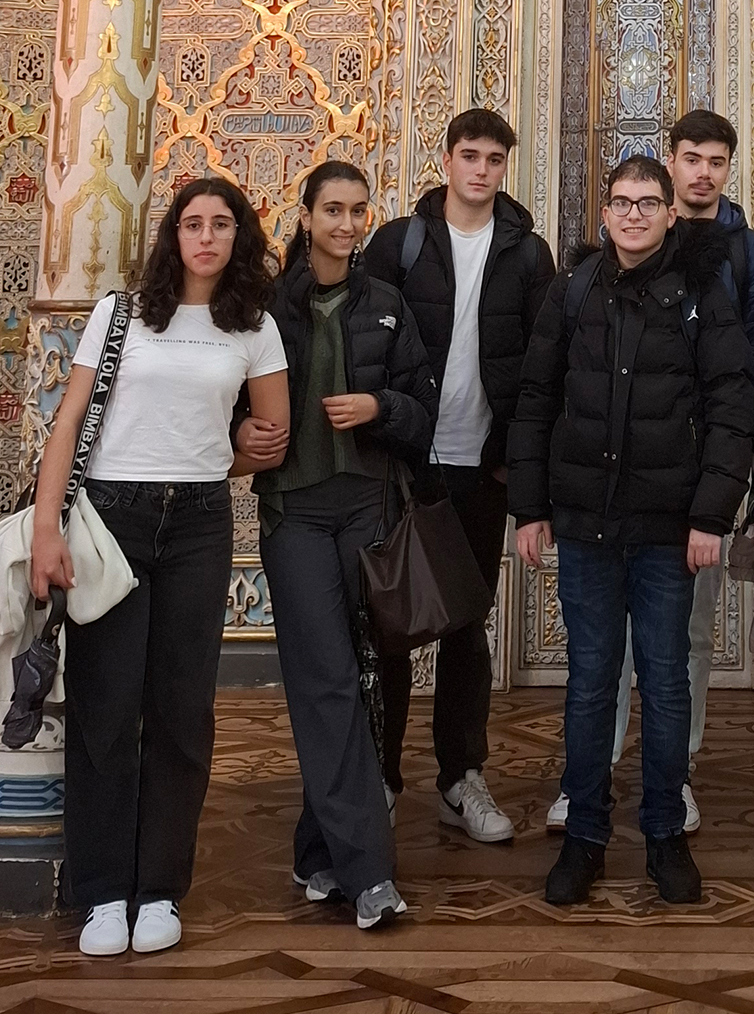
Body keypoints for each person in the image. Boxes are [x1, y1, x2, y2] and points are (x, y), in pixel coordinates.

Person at [30, 178, 289, 958]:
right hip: (111, 517)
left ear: (239, 236)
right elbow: (69, 421)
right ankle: (104, 892)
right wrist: (46, 527)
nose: (205, 236)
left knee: (181, 710)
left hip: (199, 522)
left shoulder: (255, 328)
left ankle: (159, 891)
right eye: (192, 223)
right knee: (106, 707)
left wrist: (217, 454)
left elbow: (270, 436)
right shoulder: (122, 314)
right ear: (173, 235)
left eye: (220, 224)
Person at [509, 155, 754, 907]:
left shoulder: (702, 291)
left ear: (670, 214)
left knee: (666, 681)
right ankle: (584, 836)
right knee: (590, 682)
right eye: (622, 202)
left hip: (667, 529)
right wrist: (530, 506)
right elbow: (536, 398)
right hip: (586, 524)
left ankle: (664, 835)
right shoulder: (574, 289)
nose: (634, 215)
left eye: (649, 203)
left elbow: (731, 404)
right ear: (606, 212)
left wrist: (710, 515)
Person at [547, 109, 754, 837]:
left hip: (692, 481)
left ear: (727, 170)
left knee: (685, 641)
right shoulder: (605, 264)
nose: (703, 172)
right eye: (691, 158)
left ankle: (676, 775)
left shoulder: (747, 255)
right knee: (600, 654)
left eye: (717, 161)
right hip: (606, 486)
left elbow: (749, 367)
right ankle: (595, 772)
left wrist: (718, 475)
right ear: (670, 165)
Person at [250, 161, 437, 931]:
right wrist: (243, 437)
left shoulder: (386, 303)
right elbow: (225, 406)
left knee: (362, 679)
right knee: (329, 677)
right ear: (304, 216)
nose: (348, 224)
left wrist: (379, 406)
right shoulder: (264, 308)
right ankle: (369, 874)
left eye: (359, 210)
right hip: (294, 515)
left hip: (368, 509)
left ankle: (317, 851)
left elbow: (423, 411)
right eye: (332, 209)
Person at [365, 108, 555, 842]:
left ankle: (461, 777)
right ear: (446, 159)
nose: (481, 170)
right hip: (405, 465)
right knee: (389, 624)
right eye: (469, 155)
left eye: (494, 159)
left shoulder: (528, 254)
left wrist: (518, 461)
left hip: (483, 467)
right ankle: (380, 779)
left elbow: (540, 366)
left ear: (506, 166)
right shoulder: (400, 243)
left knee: (467, 627)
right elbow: (364, 342)